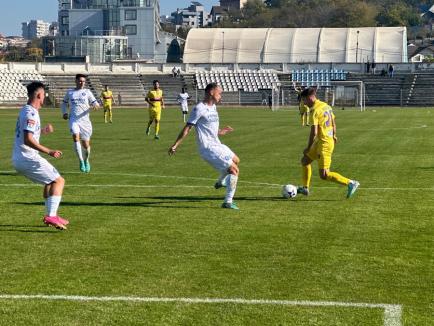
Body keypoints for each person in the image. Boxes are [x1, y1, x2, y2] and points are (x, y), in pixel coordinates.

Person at [168, 83, 240, 210]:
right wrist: (175, 145)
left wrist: (220, 132)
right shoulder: (199, 108)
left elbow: (209, 127)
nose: (221, 96)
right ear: (211, 92)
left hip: (216, 144)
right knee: (234, 170)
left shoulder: (213, 107)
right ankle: (228, 201)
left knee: (236, 160)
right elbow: (188, 128)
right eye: (219, 93)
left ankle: (221, 181)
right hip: (208, 148)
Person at [12, 81, 68, 230]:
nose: (45, 97)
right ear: (38, 95)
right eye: (44, 94)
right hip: (27, 157)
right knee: (59, 181)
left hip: (22, 157)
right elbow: (27, 139)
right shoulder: (31, 113)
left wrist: (43, 131)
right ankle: (52, 215)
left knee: (49, 182)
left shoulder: (27, 110)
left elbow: (29, 134)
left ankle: (51, 215)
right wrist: (49, 151)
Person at [297, 87, 359, 198]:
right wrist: (334, 135)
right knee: (305, 161)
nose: (304, 103)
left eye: (304, 100)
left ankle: (351, 183)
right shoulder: (325, 106)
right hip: (322, 141)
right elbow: (333, 122)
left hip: (324, 143)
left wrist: (308, 147)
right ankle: (305, 188)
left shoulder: (314, 110)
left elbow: (314, 132)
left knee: (324, 175)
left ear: (310, 98)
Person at [61, 74, 100, 173]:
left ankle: (86, 160)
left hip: (85, 122)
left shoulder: (87, 92)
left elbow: (96, 103)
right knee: (75, 136)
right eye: (80, 81)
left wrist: (96, 105)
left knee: (86, 145)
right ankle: (81, 161)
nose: (82, 82)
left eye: (83, 81)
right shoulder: (70, 92)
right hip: (74, 120)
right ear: (76, 81)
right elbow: (64, 103)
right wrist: (65, 112)